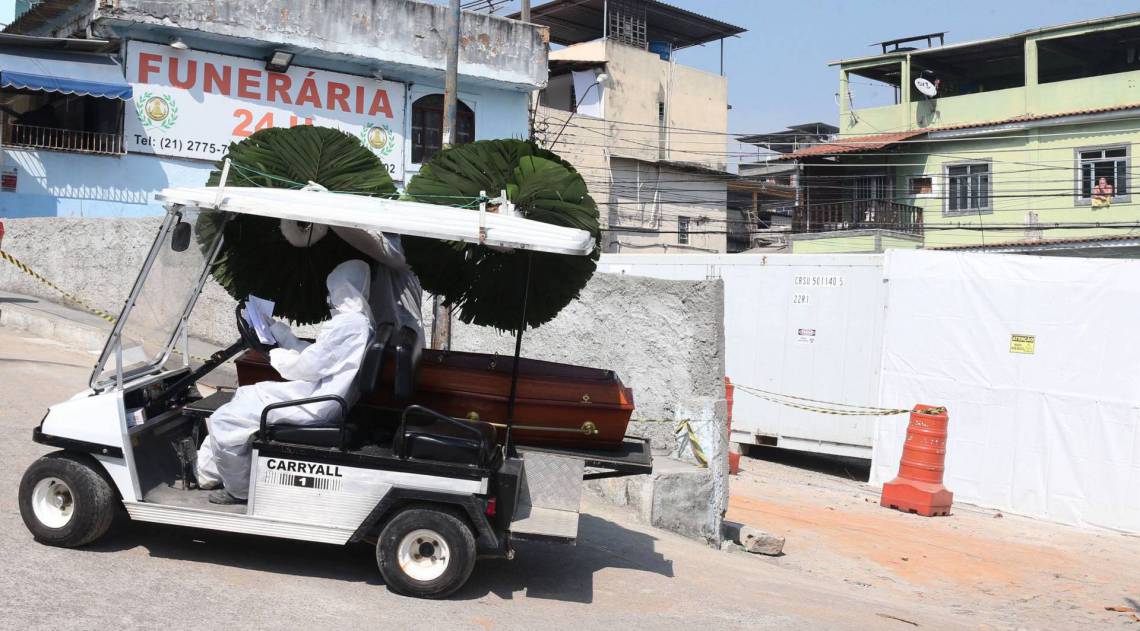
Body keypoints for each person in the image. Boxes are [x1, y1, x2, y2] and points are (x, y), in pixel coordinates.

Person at [196, 259, 375, 504]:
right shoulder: (360, 322)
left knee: (224, 420)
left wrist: (274, 354)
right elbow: (319, 355)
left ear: (343, 288)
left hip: (318, 403)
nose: (330, 297)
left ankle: (238, 490)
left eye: (333, 289)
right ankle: (208, 472)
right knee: (245, 395)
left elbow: (308, 367)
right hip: (323, 394)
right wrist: (279, 332)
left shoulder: (348, 324)